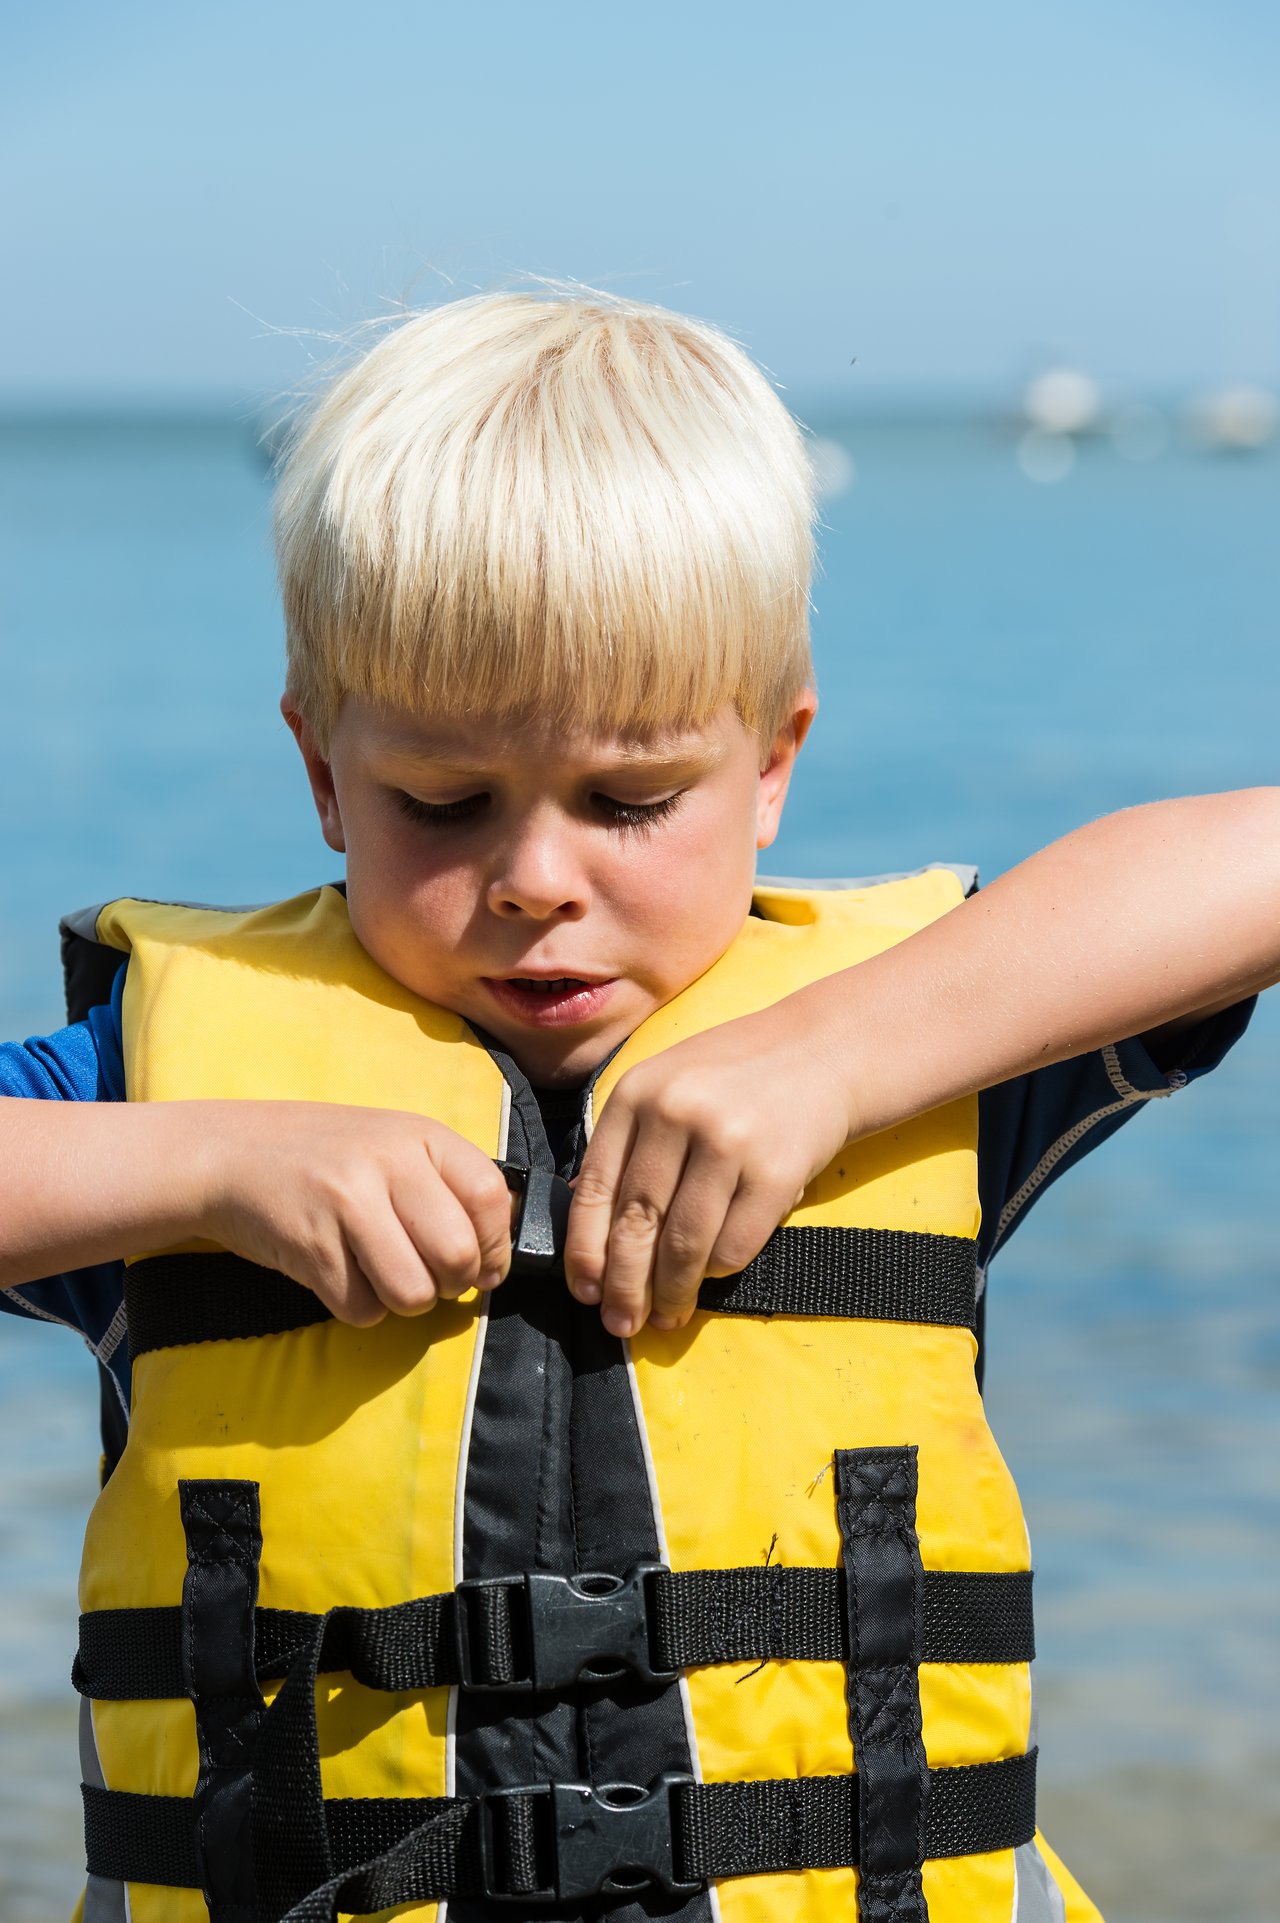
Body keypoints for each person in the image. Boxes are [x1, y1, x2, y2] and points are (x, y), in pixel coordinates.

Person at [0, 289, 1275, 1923]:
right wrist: (198, 1160)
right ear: (322, 771)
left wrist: (840, 1056)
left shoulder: (907, 1063)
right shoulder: (166, 1088)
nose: (539, 880)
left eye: (630, 800)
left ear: (772, 767)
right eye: (443, 803)